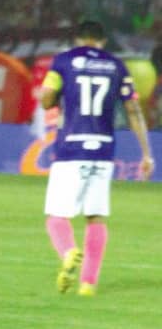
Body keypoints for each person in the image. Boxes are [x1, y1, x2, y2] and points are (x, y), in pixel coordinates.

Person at [40, 20, 155, 297]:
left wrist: (58, 97)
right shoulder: (117, 65)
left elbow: (46, 99)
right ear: (102, 41)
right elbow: (133, 109)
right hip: (103, 149)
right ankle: (88, 284)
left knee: (56, 217)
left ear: (79, 38)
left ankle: (68, 252)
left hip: (71, 148)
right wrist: (146, 153)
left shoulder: (64, 61)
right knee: (96, 217)